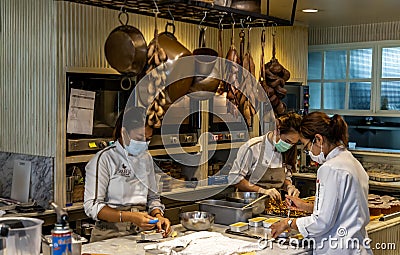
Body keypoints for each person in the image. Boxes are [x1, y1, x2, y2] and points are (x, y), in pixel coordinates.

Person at [270, 112, 372, 255]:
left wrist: (288, 223)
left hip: (338, 248)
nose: (309, 152)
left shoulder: (330, 168)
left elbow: (322, 222)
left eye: (306, 147)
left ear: (318, 139)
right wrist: (304, 206)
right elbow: (341, 209)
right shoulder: (352, 162)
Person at [84, 107, 171, 242]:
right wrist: (131, 217)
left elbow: (153, 197)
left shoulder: (146, 158)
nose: (144, 144)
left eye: (148, 139)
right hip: (110, 233)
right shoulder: (105, 159)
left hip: (141, 232)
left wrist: (158, 215)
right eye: (139, 138)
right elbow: (93, 206)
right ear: (123, 132)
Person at [228, 112, 302, 201]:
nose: (289, 146)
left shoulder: (288, 151)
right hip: (250, 204)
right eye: (287, 141)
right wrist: (262, 191)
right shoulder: (253, 147)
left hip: (273, 206)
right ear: (277, 130)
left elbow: (286, 177)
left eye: (293, 144)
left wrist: (289, 186)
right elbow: (235, 178)